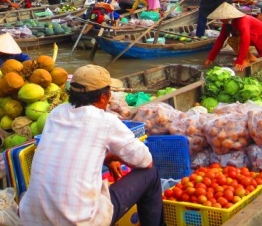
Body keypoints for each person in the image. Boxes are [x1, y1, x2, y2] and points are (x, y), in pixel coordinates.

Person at [20, 65, 162, 226]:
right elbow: (145, 161)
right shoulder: (106, 121)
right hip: (80, 222)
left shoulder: (56, 113)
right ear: (103, 97)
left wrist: (108, 158)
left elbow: (72, 149)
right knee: (151, 174)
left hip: (32, 219)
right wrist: (117, 156)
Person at [204, 3, 262, 70]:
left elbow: (245, 40)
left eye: (222, 17)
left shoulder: (242, 21)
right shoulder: (226, 24)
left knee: (236, 40)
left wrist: (240, 60)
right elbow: (220, 40)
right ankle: (249, 57)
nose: (220, 19)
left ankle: (246, 58)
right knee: (231, 40)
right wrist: (211, 57)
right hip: (254, 37)